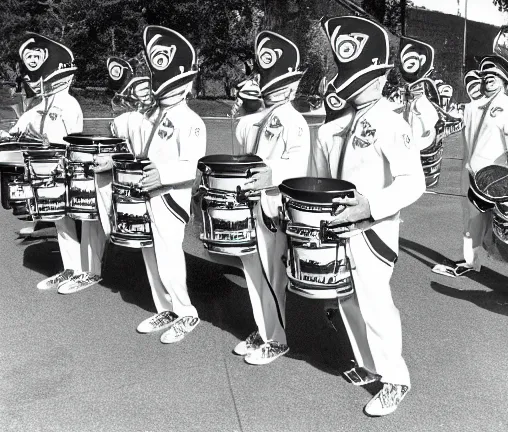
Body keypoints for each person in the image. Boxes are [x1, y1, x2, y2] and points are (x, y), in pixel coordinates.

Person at [314, 16, 425, 417]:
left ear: (380, 76)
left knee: (376, 304)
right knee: (346, 299)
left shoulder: (393, 124)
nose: (354, 85)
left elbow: (413, 183)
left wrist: (371, 207)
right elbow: (321, 181)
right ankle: (367, 363)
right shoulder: (330, 130)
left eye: (362, 76)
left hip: (373, 230)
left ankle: (396, 378)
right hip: (337, 228)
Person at [98, 26, 205, 343]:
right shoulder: (147, 117)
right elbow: (135, 151)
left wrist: (164, 175)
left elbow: (193, 166)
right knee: (151, 256)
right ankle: (166, 308)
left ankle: (187, 312)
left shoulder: (191, 121)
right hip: (144, 192)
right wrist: (114, 161)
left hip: (171, 198)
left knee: (169, 256)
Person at [218, 31, 310, 365]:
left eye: (282, 83)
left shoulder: (294, 120)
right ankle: (263, 326)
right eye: (269, 82)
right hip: (250, 204)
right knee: (252, 270)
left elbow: (299, 163)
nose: (275, 89)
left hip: (273, 206)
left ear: (293, 86)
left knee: (272, 274)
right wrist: (244, 106)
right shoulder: (255, 119)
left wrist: (273, 173)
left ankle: (277, 338)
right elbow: (242, 146)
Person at [0, 33, 107, 293]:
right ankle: (70, 268)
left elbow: (76, 139)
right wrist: (7, 135)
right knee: (59, 218)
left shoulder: (70, 104)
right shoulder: (37, 108)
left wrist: (61, 152)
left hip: (75, 169)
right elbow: (16, 130)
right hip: (48, 172)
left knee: (86, 218)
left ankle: (91, 271)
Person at [432, 56, 508, 277]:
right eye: (485, 76)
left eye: (494, 76)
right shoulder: (471, 107)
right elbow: (453, 123)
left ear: (505, 81)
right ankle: (471, 261)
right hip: (470, 172)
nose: (488, 80)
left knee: (502, 227)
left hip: (498, 179)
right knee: (472, 219)